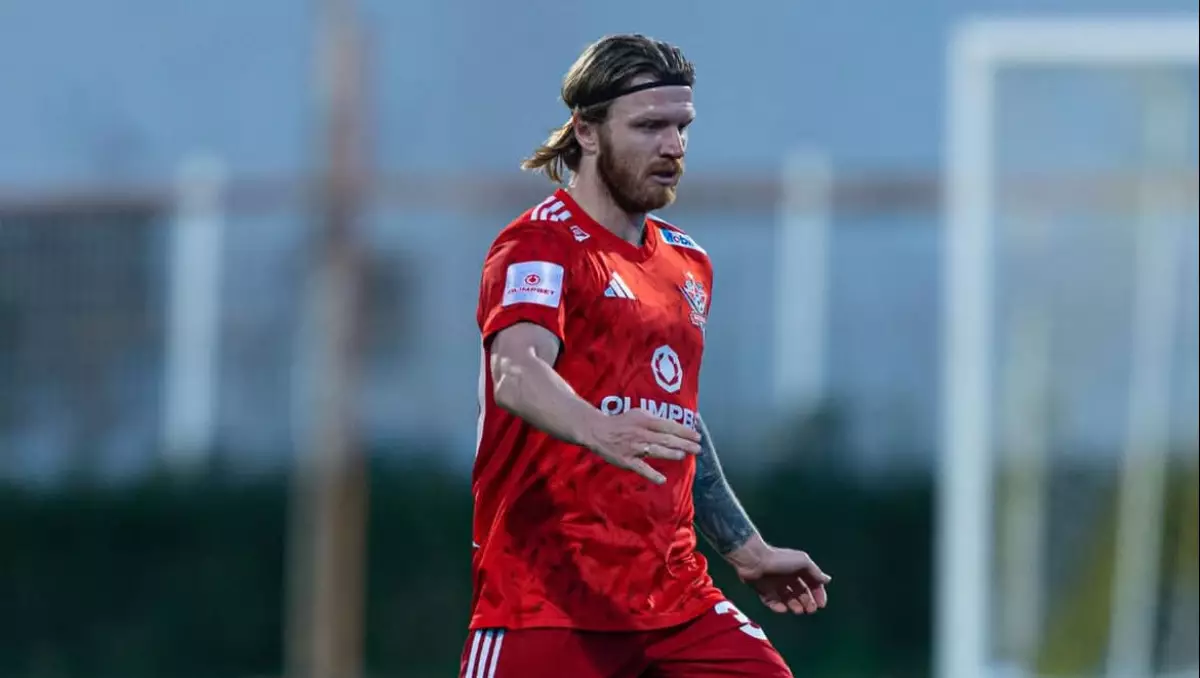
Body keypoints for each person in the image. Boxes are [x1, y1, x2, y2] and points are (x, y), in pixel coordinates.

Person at [463, 33, 830, 678]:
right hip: (544, 606)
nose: (673, 146)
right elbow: (516, 371)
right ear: (587, 131)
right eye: (650, 126)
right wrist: (597, 427)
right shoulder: (540, 246)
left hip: (676, 604)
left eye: (682, 127)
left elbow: (676, 420)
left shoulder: (688, 262)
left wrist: (747, 550)